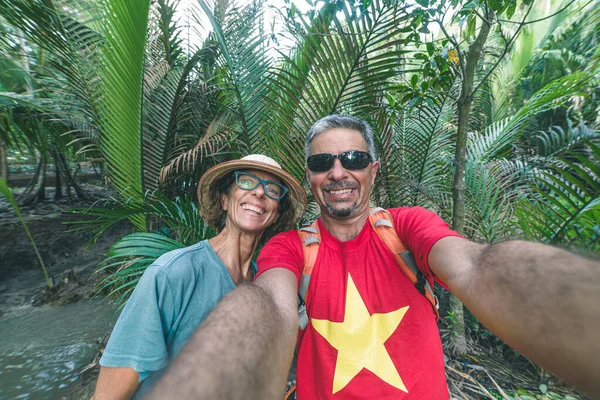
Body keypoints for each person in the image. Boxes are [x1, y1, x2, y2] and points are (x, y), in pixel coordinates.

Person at [148, 115, 600, 399]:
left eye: (353, 158)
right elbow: (268, 307)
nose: (338, 172)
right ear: (309, 176)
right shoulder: (289, 247)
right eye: (323, 163)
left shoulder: (407, 227)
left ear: (373, 169)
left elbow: (474, 266)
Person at [92, 154, 307, 400]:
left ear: (277, 214)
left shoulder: (267, 285)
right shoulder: (175, 273)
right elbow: (108, 394)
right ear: (224, 200)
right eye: (247, 182)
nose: (259, 193)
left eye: (272, 189)